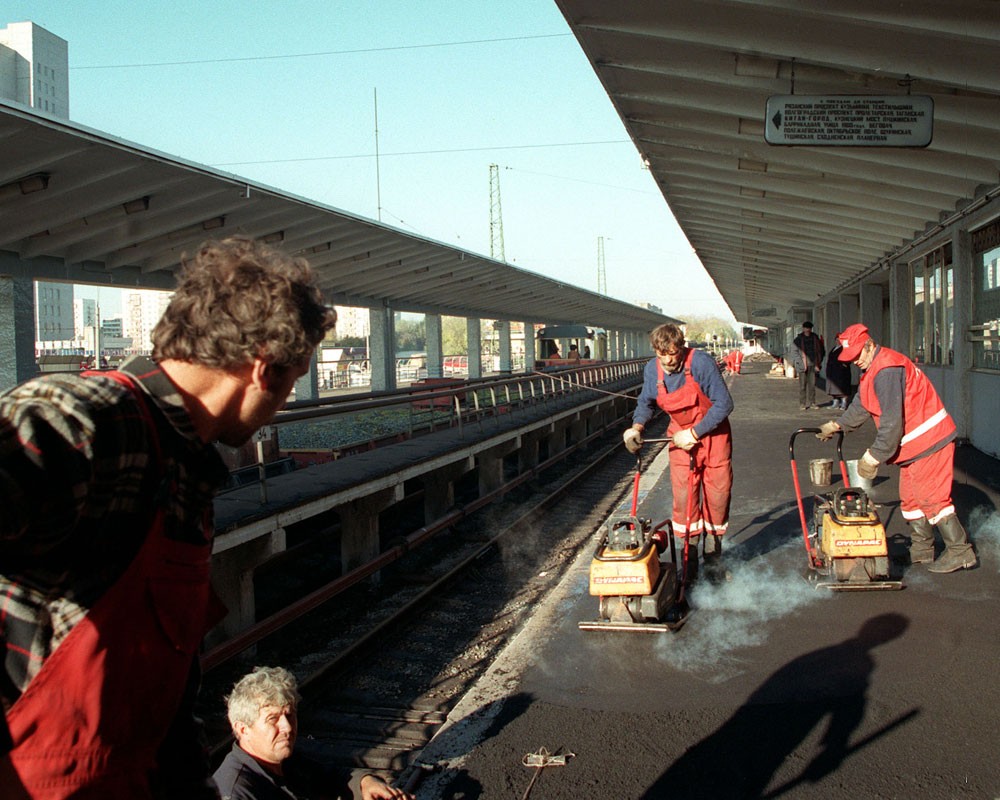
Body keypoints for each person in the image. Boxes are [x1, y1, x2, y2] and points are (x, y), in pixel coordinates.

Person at [0, 236, 337, 798]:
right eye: (294, 379)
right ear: (264, 370)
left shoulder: (185, 478)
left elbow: (164, 708)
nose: (286, 401)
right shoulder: (85, 422)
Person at [816, 324, 977, 573]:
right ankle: (922, 551)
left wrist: (873, 457)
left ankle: (960, 552)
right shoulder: (872, 368)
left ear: (870, 345)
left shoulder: (887, 370)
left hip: (929, 440)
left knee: (932, 498)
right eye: (851, 357)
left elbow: (891, 423)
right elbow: (861, 404)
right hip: (914, 445)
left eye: (858, 354)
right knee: (911, 500)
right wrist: (838, 424)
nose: (855, 361)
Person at [623, 323, 735, 579]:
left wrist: (695, 433)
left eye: (673, 354)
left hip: (713, 436)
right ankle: (690, 557)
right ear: (656, 351)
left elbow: (725, 404)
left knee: (718, 494)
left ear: (682, 348)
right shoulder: (652, 370)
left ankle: (714, 555)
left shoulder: (700, 363)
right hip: (679, 437)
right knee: (684, 497)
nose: (669, 360)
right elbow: (646, 402)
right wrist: (636, 427)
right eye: (663, 355)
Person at [213, 667, 413, 800]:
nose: (288, 727)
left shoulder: (283, 762)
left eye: (290, 715)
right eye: (272, 719)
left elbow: (331, 777)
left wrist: (365, 783)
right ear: (242, 729)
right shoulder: (236, 791)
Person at [792, 321, 825, 410]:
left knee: (812, 385)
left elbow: (821, 351)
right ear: (803, 328)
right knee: (802, 386)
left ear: (811, 329)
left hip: (813, 365)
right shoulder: (798, 339)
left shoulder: (815, 338)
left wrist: (819, 363)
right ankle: (802, 404)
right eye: (806, 328)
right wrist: (800, 363)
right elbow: (794, 352)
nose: (807, 330)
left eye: (809, 328)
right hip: (802, 366)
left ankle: (812, 403)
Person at [824, 343, 852, 410]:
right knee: (833, 387)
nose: (838, 341)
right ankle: (835, 403)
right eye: (836, 339)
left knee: (842, 387)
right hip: (833, 371)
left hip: (841, 371)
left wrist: (844, 365)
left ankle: (844, 403)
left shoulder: (844, 348)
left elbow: (849, 357)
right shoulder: (834, 348)